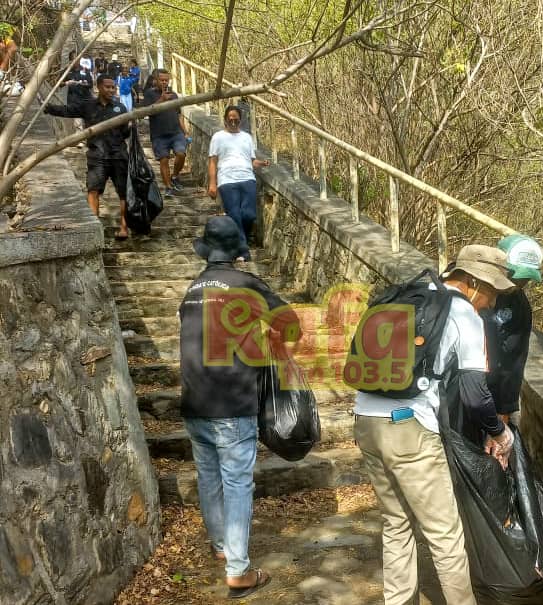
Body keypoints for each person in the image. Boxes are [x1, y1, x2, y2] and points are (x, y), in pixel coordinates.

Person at [354, 244, 516, 605]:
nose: (491, 303)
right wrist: (499, 432)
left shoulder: (405, 295)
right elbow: (475, 395)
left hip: (366, 419)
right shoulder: (462, 312)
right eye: (491, 291)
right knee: (445, 535)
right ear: (473, 282)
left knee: (396, 523)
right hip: (410, 430)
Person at [179, 215, 300, 598]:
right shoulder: (246, 284)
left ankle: (221, 546)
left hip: (195, 402)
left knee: (209, 477)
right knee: (236, 484)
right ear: (236, 251)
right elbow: (291, 324)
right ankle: (238, 571)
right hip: (232, 403)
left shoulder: (192, 290)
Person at [44, 74, 130, 240]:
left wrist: (130, 127)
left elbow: (125, 132)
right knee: (93, 190)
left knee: (123, 192)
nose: (111, 90)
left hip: (118, 155)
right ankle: (94, 230)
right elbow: (68, 110)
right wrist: (49, 108)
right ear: (98, 87)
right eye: (108, 87)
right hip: (97, 156)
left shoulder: (120, 108)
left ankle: (124, 228)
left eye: (113, 87)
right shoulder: (88, 106)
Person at [480, 234, 543, 424]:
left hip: (489, 391)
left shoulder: (519, 306)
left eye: (526, 278)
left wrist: (505, 409)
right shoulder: (470, 287)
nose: (520, 283)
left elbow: (514, 361)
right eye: (516, 276)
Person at [207, 105, 270, 262]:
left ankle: (239, 240)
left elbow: (251, 160)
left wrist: (261, 163)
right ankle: (243, 251)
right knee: (234, 215)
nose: (233, 121)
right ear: (225, 120)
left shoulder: (246, 137)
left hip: (247, 178)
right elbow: (213, 162)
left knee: (249, 215)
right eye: (230, 119)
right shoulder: (218, 137)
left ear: (240, 120)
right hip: (227, 180)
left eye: (236, 119)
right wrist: (212, 184)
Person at [143, 69, 189, 197]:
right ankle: (168, 187)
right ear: (155, 80)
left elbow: (179, 114)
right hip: (159, 134)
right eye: (162, 80)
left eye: (166, 80)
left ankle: (174, 176)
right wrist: (161, 100)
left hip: (176, 132)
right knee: (164, 160)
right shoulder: (149, 94)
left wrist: (185, 131)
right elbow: (145, 112)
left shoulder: (173, 95)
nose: (164, 82)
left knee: (181, 154)